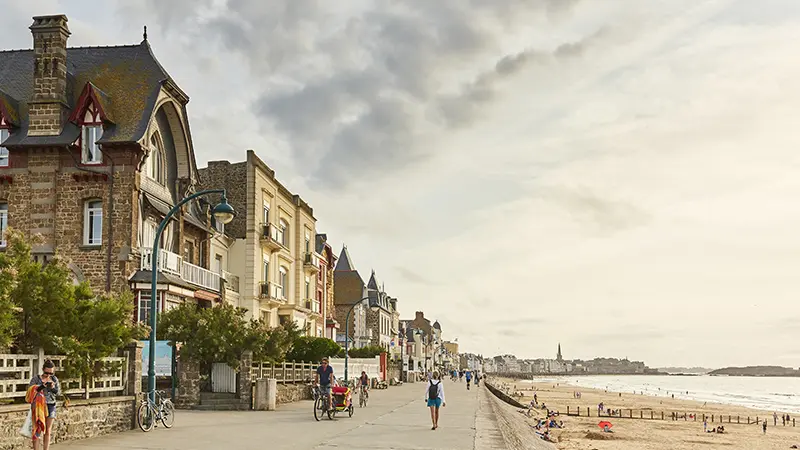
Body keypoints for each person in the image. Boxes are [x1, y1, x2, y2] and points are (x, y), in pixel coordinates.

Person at [29, 360, 60, 450]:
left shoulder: (54, 379)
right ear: (43, 370)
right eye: (46, 373)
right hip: (39, 406)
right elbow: (31, 391)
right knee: (37, 430)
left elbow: (58, 393)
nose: (48, 375)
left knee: (48, 430)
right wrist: (42, 386)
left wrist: (53, 388)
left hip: (51, 405)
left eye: (51, 373)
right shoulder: (36, 378)